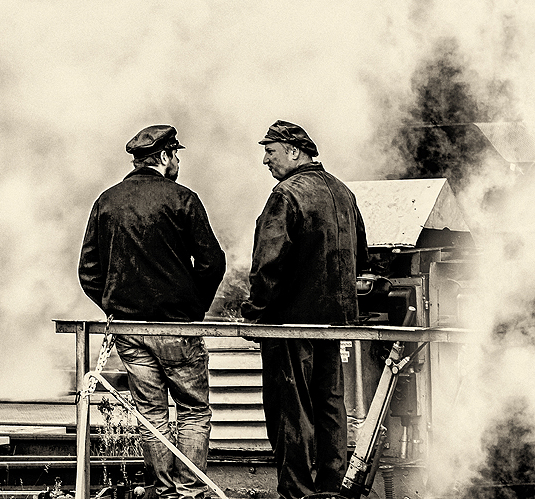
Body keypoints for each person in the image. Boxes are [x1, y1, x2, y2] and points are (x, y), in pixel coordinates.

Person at [79, 124, 227, 499]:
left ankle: (163, 491)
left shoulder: (106, 201)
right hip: (178, 327)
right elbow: (212, 262)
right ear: (164, 157)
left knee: (152, 413)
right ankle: (190, 492)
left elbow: (89, 271)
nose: (177, 161)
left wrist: (116, 304)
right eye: (175, 154)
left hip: (129, 329)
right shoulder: (183, 199)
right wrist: (192, 307)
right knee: (193, 411)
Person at [240, 120, 369, 499]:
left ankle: (297, 493)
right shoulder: (343, 192)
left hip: (291, 324)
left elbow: (269, 263)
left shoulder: (286, 194)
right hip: (336, 323)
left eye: (271, 151)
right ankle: (333, 488)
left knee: (290, 409)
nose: (265, 159)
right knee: (331, 406)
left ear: (294, 151)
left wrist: (255, 312)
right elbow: (360, 258)